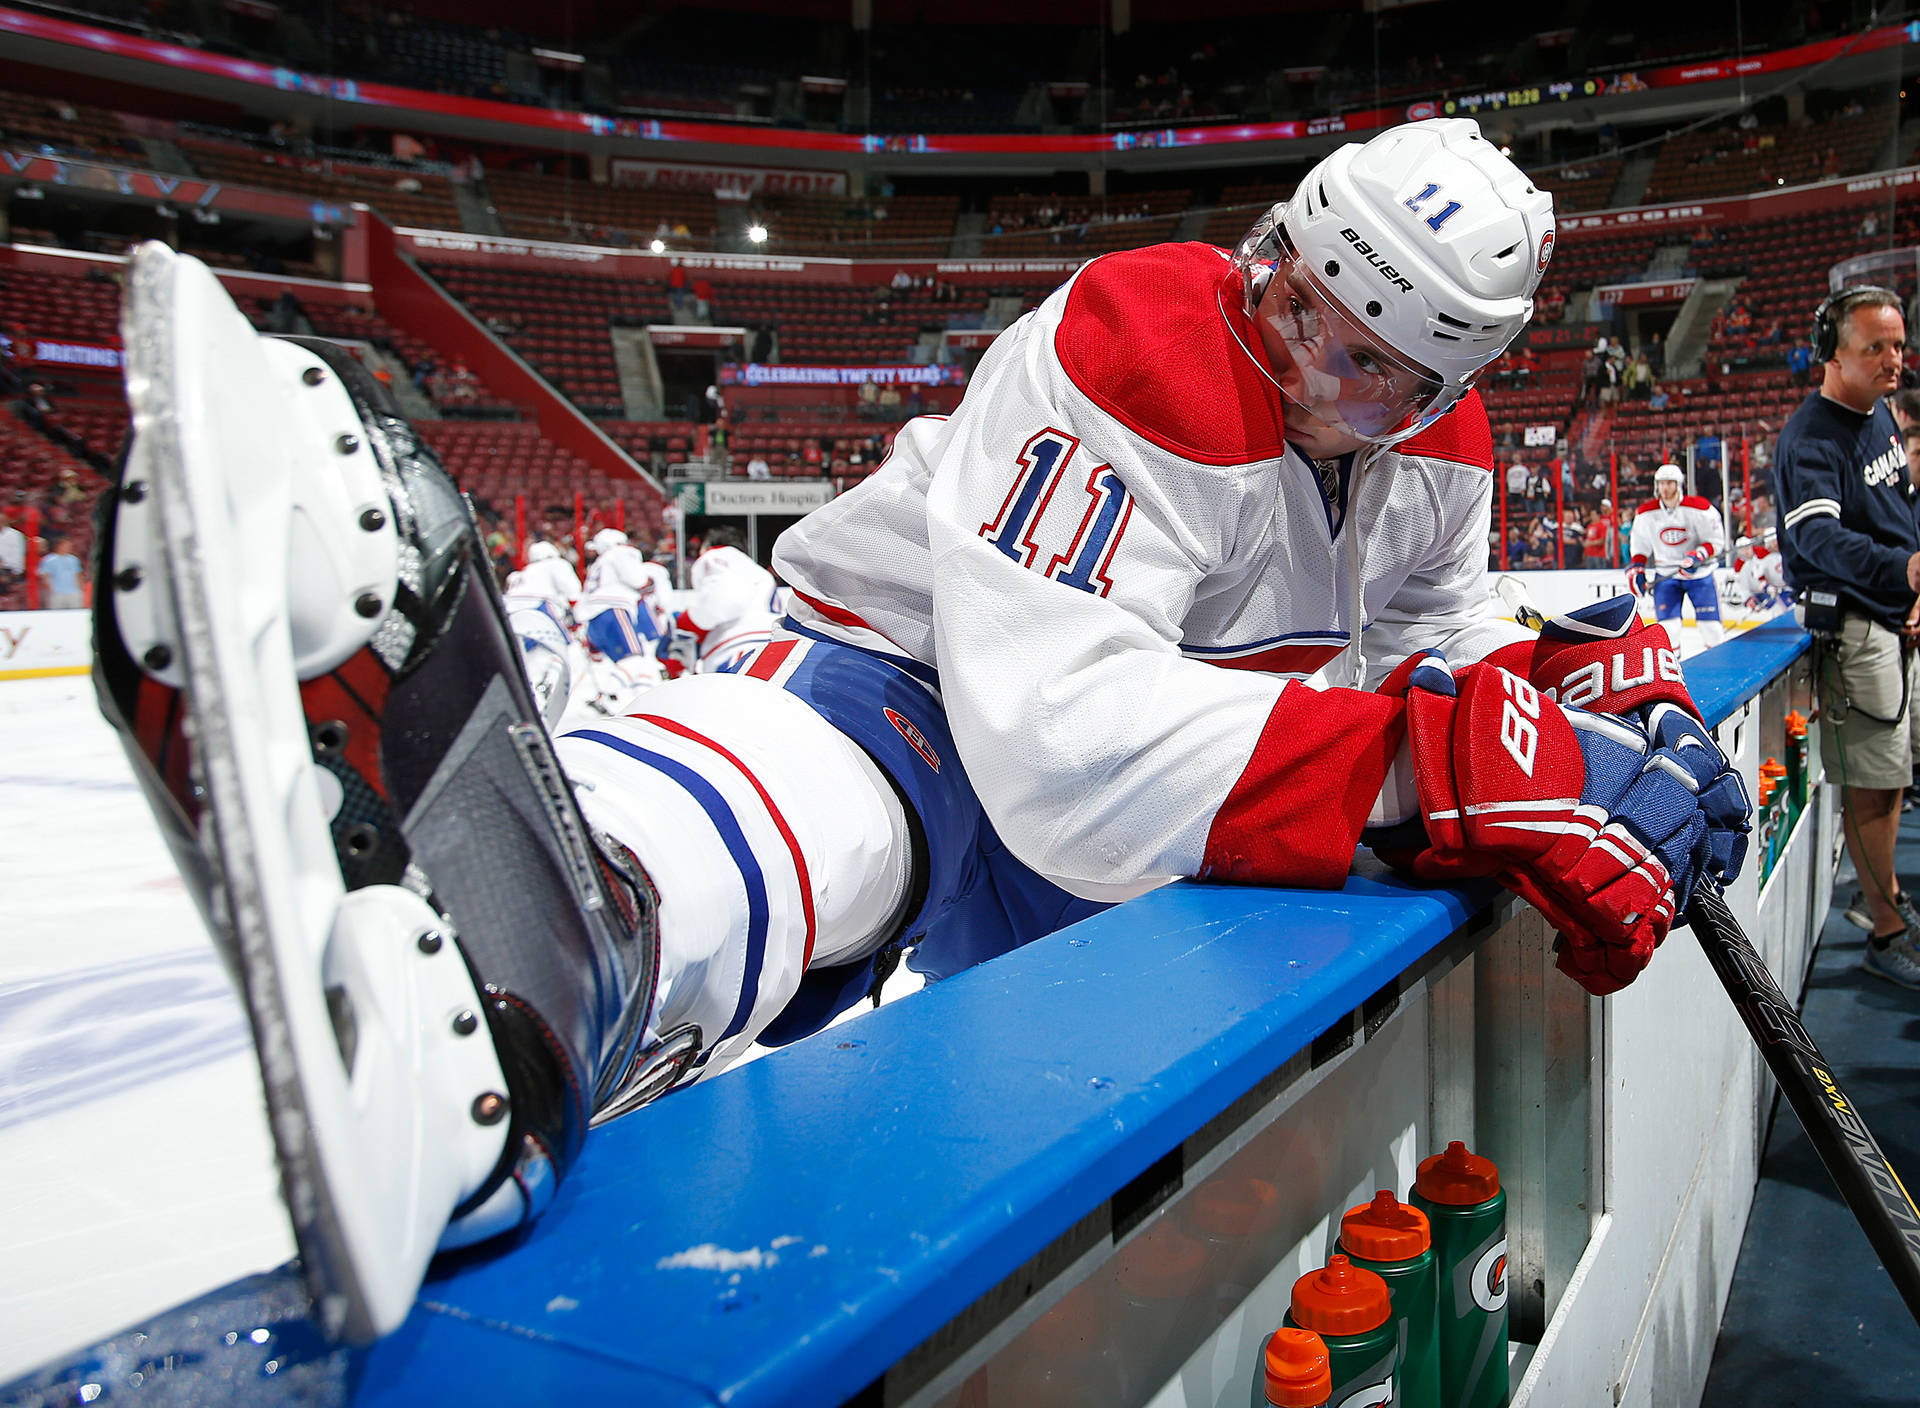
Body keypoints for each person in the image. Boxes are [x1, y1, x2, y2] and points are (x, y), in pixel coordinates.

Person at [93, 128, 1747, 1346]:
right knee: (852, 806)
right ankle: (536, 937)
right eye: (1297, 304)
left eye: (1371, 367)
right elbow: (1060, 743)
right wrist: (1435, 761)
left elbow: (1440, 640)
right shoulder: (1140, 339)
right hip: (931, 692)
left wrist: (1577, 691)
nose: (1311, 364)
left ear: (1450, 377)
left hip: (1183, 808)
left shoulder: (1441, 445)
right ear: (1271, 252)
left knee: (1096, 1222)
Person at [1770, 284, 1920, 986]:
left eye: (1897, 344)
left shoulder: (1878, 411)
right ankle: (1885, 933)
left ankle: (1882, 896)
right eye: (1876, 348)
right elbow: (1821, 541)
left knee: (1890, 779)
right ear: (1832, 352)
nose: (1896, 360)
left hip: (1893, 614)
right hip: (1857, 625)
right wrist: (1906, 572)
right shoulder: (1812, 438)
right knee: (1874, 779)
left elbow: (1895, 512)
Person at [1629, 464, 1726, 653]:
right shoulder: (1645, 513)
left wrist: (1698, 555)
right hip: (1666, 575)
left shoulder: (1699, 508)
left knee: (1712, 630)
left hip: (1699, 575)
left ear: (1678, 484)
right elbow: (1640, 545)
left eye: (1670, 483)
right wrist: (1637, 568)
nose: (1665, 488)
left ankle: (1720, 665)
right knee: (1668, 631)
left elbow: (1715, 541)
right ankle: (1673, 674)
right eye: (1662, 483)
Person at [670, 527, 779, 674]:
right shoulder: (760, 573)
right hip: (773, 646)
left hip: (737, 649)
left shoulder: (718, 555)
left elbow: (723, 603)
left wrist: (687, 621)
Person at [37, 535, 83, 609]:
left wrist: (80, 589)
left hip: (73, 592)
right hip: (57, 592)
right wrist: (50, 590)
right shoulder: (49, 560)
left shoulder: (74, 559)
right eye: (65, 545)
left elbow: (78, 574)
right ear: (59, 546)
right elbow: (45, 576)